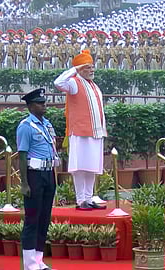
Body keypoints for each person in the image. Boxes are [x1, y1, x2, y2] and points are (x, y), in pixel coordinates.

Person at [54, 50, 107, 211]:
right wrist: (75, 70)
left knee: (92, 167)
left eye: (92, 67)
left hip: (96, 132)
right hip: (79, 132)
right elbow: (58, 83)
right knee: (80, 167)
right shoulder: (74, 82)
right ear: (79, 69)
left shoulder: (94, 85)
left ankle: (89, 198)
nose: (92, 70)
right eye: (87, 67)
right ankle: (80, 199)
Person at [16, 88, 58, 270]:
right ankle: (29, 263)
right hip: (34, 174)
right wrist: (24, 183)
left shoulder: (46, 124)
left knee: (44, 218)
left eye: (44, 102)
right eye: (40, 103)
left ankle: (39, 260)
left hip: (48, 173)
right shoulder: (26, 126)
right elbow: (22, 155)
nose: (44, 105)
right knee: (32, 218)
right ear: (31, 106)